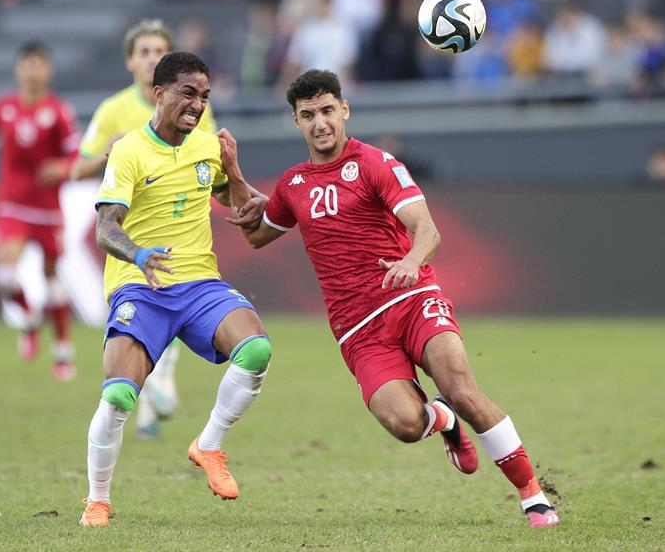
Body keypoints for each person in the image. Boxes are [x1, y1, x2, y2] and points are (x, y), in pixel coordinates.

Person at [226, 69, 561, 529]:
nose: (320, 123)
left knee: (461, 387)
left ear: (344, 110)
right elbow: (257, 235)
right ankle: (440, 419)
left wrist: (410, 262)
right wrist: (234, 175)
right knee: (405, 425)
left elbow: (427, 228)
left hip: (411, 298)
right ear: (296, 121)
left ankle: (533, 497)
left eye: (327, 111)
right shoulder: (292, 184)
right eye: (308, 115)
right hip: (358, 330)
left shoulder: (376, 163)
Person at [80, 51, 272, 527]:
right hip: (140, 288)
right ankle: (98, 500)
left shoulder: (208, 147)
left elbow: (243, 211)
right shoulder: (127, 150)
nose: (197, 104)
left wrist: (236, 169)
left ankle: (208, 445)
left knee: (256, 349)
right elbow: (106, 228)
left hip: (200, 284)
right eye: (188, 93)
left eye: (204, 96)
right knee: (120, 397)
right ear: (159, 92)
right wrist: (139, 255)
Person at [71, 18, 218, 439]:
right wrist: (109, 153)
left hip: (176, 218)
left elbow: (207, 156)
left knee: (173, 287)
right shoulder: (113, 110)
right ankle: (151, 390)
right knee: (140, 307)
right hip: (128, 219)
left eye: (159, 50)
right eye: (145, 52)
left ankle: (162, 377)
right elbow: (76, 167)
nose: (152, 57)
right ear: (131, 62)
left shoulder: (190, 99)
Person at [0, 41, 78, 380]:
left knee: (52, 277)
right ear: (18, 69)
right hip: (12, 204)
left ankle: (62, 351)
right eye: (27, 63)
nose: (33, 70)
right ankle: (29, 319)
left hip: (47, 208)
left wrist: (59, 167)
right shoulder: (2, 108)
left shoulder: (59, 111)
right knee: (5, 275)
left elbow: (75, 155)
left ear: (48, 71)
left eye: (39, 64)